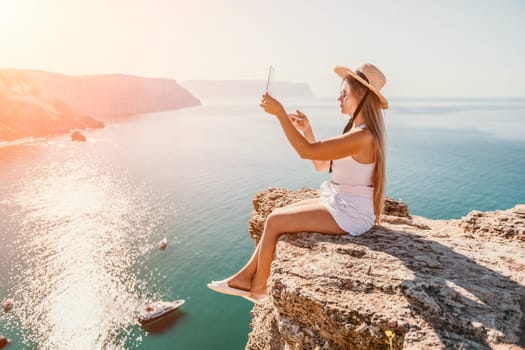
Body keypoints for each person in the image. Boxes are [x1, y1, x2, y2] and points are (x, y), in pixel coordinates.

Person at [208, 63, 388, 304]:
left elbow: (306, 152)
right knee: (276, 213)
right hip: (342, 202)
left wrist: (280, 114)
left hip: (351, 213)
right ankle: (243, 279)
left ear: (361, 95)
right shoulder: (358, 132)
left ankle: (259, 289)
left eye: (344, 92)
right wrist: (307, 130)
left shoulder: (363, 136)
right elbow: (321, 165)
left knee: (273, 222)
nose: (339, 97)